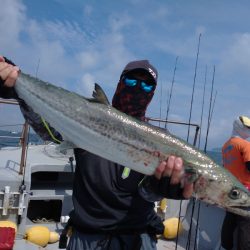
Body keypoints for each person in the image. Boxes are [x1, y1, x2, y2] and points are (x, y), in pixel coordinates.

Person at [0, 56, 193, 250]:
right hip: (86, 236)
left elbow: (145, 192)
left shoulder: (161, 140)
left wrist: (160, 189)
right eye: (132, 80)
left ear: (152, 93)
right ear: (119, 84)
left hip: (137, 237)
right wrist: (19, 90)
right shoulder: (90, 118)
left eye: (147, 85)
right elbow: (51, 131)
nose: (138, 88)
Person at [221, 116, 250, 250]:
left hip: (229, 190)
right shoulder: (245, 145)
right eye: (248, 127)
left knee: (230, 221)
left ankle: (226, 246)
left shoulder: (225, 146)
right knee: (245, 224)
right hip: (244, 191)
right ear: (239, 126)